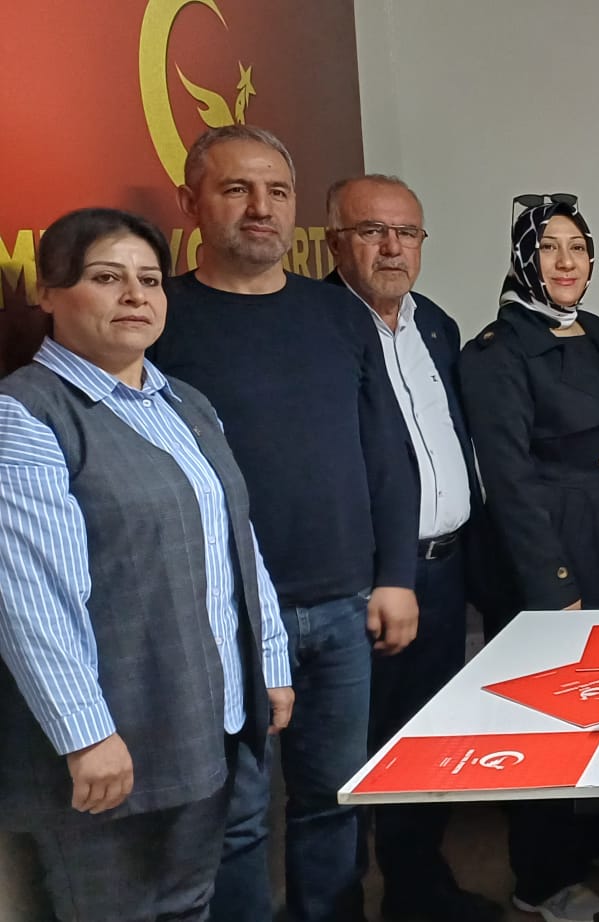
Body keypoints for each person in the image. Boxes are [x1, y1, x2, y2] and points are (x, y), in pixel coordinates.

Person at [148, 124, 420, 922]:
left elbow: (386, 453)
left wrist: (396, 575)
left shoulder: (337, 315)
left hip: (342, 607)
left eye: (277, 191)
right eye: (236, 189)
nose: (260, 208)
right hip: (222, 619)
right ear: (191, 202)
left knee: (333, 800)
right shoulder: (162, 319)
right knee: (234, 823)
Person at [0, 208, 292, 921]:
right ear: (49, 292)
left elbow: (239, 542)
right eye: (107, 278)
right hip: (114, 741)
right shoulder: (26, 415)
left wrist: (270, 661)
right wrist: (86, 733)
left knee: (192, 900)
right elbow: (30, 597)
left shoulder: (183, 403)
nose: (135, 296)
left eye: (150, 280)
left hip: (209, 717)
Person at [459, 196, 599, 922]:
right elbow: (508, 480)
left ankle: (597, 835)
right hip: (553, 546)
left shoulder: (596, 332)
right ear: (523, 259)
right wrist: (554, 582)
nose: (566, 262)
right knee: (549, 712)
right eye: (548, 248)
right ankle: (541, 878)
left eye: (577, 247)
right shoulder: (495, 350)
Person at [325, 174, 499, 922]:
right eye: (372, 231)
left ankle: (418, 889)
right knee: (351, 754)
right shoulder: (317, 328)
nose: (392, 248)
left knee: (426, 738)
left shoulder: (437, 326)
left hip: (445, 568)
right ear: (335, 242)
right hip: (367, 581)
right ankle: (341, 901)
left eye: (407, 233)